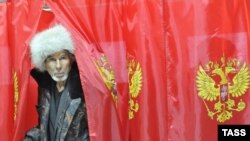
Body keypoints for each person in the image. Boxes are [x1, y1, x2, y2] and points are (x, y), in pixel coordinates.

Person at [24, 24, 89, 141]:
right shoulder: (45, 88)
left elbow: (95, 131)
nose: (58, 66)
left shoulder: (84, 88)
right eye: (52, 60)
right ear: (44, 64)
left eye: (63, 58)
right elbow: (44, 128)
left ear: (71, 59)